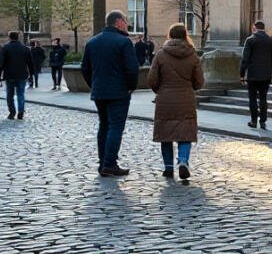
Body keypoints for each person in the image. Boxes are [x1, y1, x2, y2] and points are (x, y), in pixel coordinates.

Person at [82, 10, 140, 177]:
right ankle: (110, 163)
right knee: (115, 127)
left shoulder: (92, 42)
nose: (128, 24)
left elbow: (84, 68)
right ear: (119, 22)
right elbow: (132, 69)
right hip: (118, 91)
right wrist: (130, 87)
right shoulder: (124, 42)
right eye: (126, 21)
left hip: (99, 91)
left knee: (104, 126)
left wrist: (93, 85)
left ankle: (103, 163)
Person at [148, 23, 204, 181]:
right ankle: (184, 160)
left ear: (170, 35)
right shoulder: (192, 55)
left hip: (165, 99)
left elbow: (152, 79)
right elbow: (199, 82)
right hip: (186, 98)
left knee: (166, 133)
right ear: (185, 35)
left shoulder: (160, 55)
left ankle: (168, 167)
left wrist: (160, 90)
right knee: (185, 133)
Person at [240, 21, 272, 129]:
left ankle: (254, 121)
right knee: (263, 98)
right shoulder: (270, 41)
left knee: (253, 98)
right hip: (266, 75)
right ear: (264, 28)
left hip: (253, 75)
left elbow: (245, 59)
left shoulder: (250, 40)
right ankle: (263, 121)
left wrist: (242, 74)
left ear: (254, 28)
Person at [0, 32, 34, 120]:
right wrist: (31, 75)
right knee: (20, 94)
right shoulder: (25, 48)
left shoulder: (5, 48)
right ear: (18, 37)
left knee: (9, 95)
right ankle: (21, 112)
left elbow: (1, 63)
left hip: (9, 75)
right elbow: (30, 63)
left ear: (9, 37)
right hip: (22, 75)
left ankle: (12, 112)